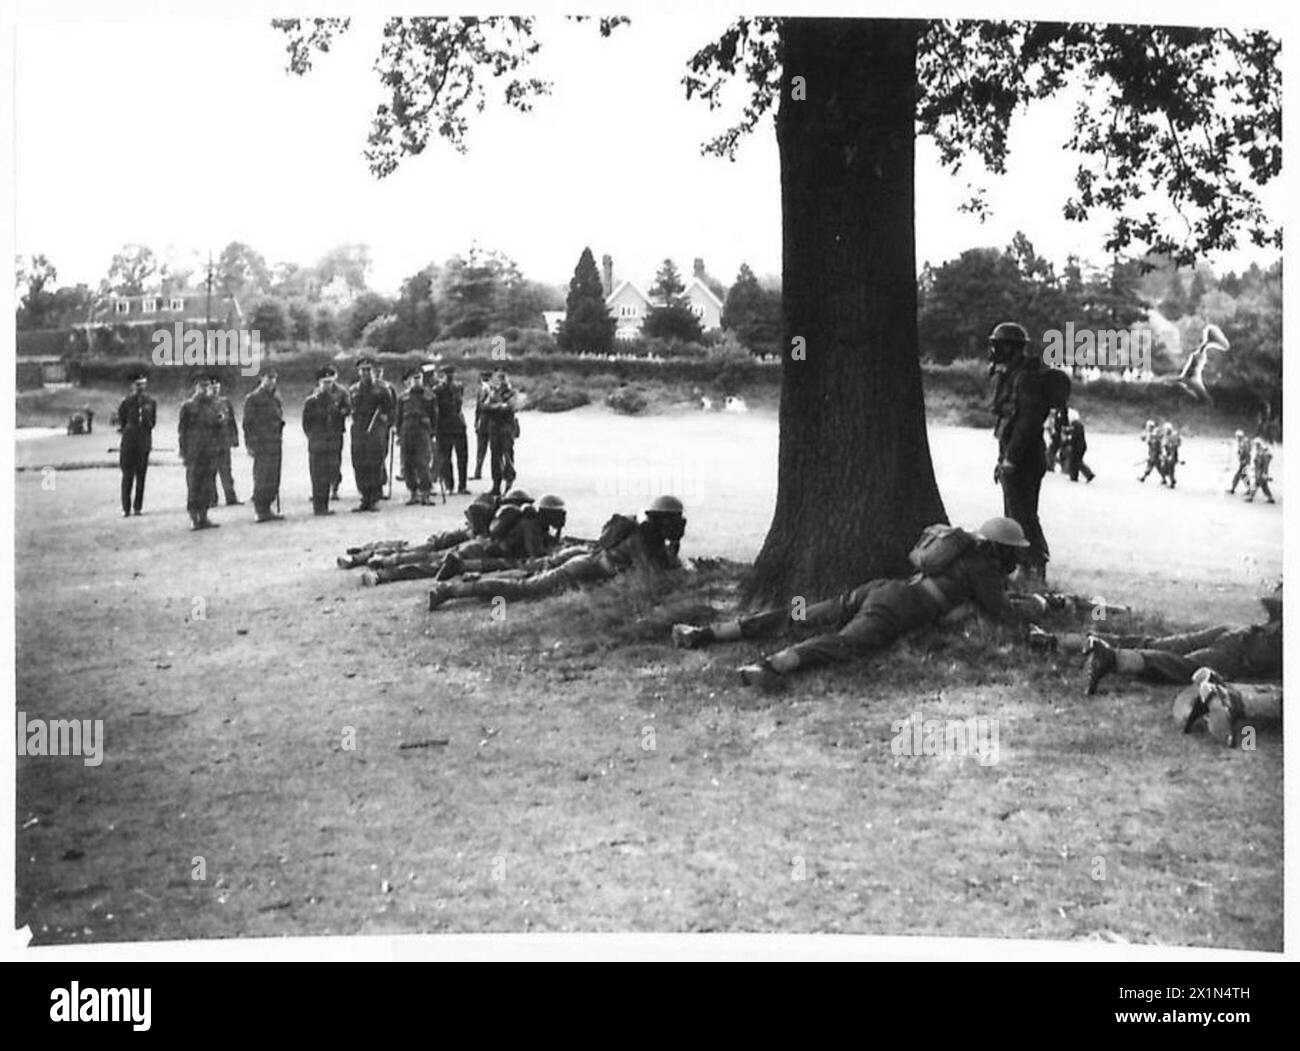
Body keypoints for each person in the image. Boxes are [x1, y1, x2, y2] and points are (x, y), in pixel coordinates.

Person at [672, 516, 1040, 690]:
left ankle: (707, 633)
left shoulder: (961, 554)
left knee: (798, 614)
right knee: (845, 644)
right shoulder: (982, 568)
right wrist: (1036, 612)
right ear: (999, 549)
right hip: (898, 608)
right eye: (1012, 552)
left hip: (878, 589)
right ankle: (770, 665)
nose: (1014, 559)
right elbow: (1002, 614)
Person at [426, 495, 686, 610]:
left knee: (526, 578)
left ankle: (463, 577)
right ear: (663, 520)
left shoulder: (647, 533)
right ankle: (450, 591)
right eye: (675, 520)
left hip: (588, 563)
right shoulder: (642, 538)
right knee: (522, 588)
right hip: (584, 568)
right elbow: (652, 579)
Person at [1081, 587, 1281, 695]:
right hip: (1253, 648)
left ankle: (1080, 642)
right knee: (1183, 666)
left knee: (1160, 645)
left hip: (1241, 631)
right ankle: (1111, 658)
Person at [988, 321, 1070, 581]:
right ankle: (1020, 566)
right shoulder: (1012, 375)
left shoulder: (1026, 379)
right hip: (1014, 455)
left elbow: (1028, 422)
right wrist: (1003, 459)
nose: (994, 351)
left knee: (1023, 514)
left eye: (999, 346)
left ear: (1011, 348)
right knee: (1014, 514)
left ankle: (1035, 564)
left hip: (1025, 458)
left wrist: (1011, 459)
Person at [338, 493, 498, 570]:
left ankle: (370, 555)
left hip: (454, 541)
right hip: (446, 540)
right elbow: (474, 510)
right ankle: (366, 553)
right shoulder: (494, 505)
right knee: (415, 549)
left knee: (419, 552)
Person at [177, 374, 226, 530]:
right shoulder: (188, 406)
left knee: (207, 486)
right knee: (194, 485)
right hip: (195, 452)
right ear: (196, 387)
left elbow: (219, 428)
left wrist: (221, 421)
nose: (205, 390)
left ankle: (204, 516)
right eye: (202, 387)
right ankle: (194, 517)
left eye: (207, 387)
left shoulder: (214, 405)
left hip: (210, 451)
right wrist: (184, 452)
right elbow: (182, 432)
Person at [242, 367, 285, 523]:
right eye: (269, 378)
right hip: (261, 444)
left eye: (274, 378)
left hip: (275, 442)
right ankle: (260, 510)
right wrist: (250, 445)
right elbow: (248, 424)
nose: (272, 381)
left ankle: (268, 508)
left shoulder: (275, 397)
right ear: (261, 378)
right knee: (262, 477)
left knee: (274, 477)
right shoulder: (253, 398)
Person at [349, 356, 392, 512]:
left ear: (374, 371)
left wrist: (385, 421)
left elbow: (390, 411)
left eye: (368, 370)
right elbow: (350, 408)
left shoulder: (383, 389)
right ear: (359, 372)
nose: (366, 373)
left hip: (375, 429)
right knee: (359, 463)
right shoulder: (353, 389)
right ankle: (364, 497)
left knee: (374, 462)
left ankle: (374, 497)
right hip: (359, 430)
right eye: (363, 370)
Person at [303, 368, 347, 516]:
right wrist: (313, 438)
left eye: (330, 382)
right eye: (324, 382)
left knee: (329, 472)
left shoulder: (334, 401)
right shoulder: (311, 402)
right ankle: (318, 506)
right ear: (319, 383)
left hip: (332, 442)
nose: (327, 385)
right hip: (317, 443)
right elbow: (306, 424)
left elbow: (341, 416)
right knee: (317, 474)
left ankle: (324, 505)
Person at [116, 371, 157, 517]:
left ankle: (138, 507)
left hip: (143, 443)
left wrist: (146, 424)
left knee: (141, 477)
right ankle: (126, 508)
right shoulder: (126, 402)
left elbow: (153, 422)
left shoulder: (151, 402)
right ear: (133, 385)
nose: (141, 387)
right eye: (138, 384)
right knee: (127, 476)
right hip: (129, 444)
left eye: (143, 384)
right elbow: (122, 422)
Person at [395, 367, 437, 504]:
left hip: (422, 432)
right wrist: (398, 434)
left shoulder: (430, 396)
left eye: (419, 378)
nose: (417, 381)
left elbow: (435, 416)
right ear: (409, 381)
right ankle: (413, 492)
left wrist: (434, 433)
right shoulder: (402, 397)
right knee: (407, 464)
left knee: (423, 463)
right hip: (406, 431)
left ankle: (425, 492)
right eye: (414, 378)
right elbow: (398, 417)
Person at [432, 364, 470, 494]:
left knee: (463, 457)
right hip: (444, 427)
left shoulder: (459, 387)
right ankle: (449, 485)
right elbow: (436, 410)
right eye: (447, 375)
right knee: (445, 458)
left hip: (459, 426)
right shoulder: (437, 390)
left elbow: (459, 404)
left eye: (452, 374)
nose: (450, 377)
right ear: (443, 375)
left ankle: (462, 485)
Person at [482, 368, 520, 498]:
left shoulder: (511, 393)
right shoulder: (493, 393)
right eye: (499, 378)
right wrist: (499, 406)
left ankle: (509, 484)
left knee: (508, 456)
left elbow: (511, 407)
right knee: (495, 458)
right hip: (495, 428)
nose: (501, 381)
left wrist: (496, 407)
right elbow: (484, 407)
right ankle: (496, 485)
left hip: (506, 428)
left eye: (503, 378)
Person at [1173, 323, 1229, 405]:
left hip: (1191, 379)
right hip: (1192, 379)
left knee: (1206, 401)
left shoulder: (1201, 349)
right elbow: (1192, 368)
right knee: (1208, 402)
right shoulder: (1201, 351)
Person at [207, 378, 242, 508]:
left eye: (217, 388)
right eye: (213, 388)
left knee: (226, 471)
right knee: (211, 472)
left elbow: (232, 421)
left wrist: (234, 439)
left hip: (224, 442)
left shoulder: (225, 402)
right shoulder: (204, 404)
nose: (215, 390)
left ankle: (231, 497)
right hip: (211, 443)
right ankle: (212, 499)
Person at [321, 365, 352, 500]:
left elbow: (348, 408)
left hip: (335, 431)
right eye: (325, 380)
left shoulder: (342, 392)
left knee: (334, 461)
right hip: (320, 432)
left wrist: (339, 413)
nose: (327, 383)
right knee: (321, 461)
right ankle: (321, 489)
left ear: (335, 377)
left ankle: (334, 488)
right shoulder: (316, 392)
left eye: (330, 379)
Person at [1062, 409, 1095, 483]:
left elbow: (1075, 436)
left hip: (1078, 447)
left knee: (1076, 461)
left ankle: (1088, 474)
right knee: (1074, 461)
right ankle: (1074, 476)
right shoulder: (1075, 425)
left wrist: (1067, 441)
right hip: (1078, 446)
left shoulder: (1076, 425)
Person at [472, 369, 493, 480]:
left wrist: (476, 422)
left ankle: (478, 471)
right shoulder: (491, 389)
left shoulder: (483, 390)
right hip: (489, 422)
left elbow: (478, 408)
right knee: (493, 449)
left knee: (481, 448)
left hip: (485, 421)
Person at [1244, 437, 1275, 504]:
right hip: (1259, 471)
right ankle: (1270, 498)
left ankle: (1251, 497)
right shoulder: (1260, 450)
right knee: (1262, 485)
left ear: (1258, 444)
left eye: (1256, 444)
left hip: (1261, 471)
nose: (1255, 445)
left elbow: (1264, 463)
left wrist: (1264, 473)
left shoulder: (1262, 451)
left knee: (1257, 485)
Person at [1226, 430, 1252, 494]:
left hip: (1244, 462)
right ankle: (1249, 490)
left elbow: (1245, 452)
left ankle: (1232, 489)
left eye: (1237, 436)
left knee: (1237, 475)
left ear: (1239, 436)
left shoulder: (1243, 443)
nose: (1236, 438)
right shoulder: (1243, 442)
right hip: (1245, 461)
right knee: (1243, 475)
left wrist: (1243, 460)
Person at [1159, 422, 1183, 488]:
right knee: (1165, 469)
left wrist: (1170, 456)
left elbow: (1176, 445)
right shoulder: (1166, 436)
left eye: (1166, 429)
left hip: (1171, 455)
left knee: (1170, 469)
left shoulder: (1173, 436)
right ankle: (1172, 480)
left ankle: (1172, 482)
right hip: (1169, 455)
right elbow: (1164, 446)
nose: (1165, 431)